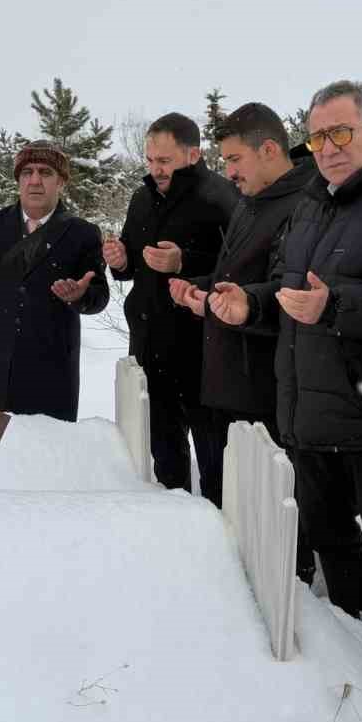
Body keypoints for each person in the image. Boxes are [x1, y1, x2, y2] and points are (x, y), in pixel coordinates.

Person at [210, 81, 362, 661]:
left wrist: (334, 305)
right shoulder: (312, 201)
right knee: (335, 548)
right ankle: (351, 657)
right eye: (317, 136)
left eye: (342, 132)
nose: (329, 147)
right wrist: (253, 303)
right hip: (309, 413)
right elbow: (291, 287)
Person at [165, 102, 323, 560]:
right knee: (242, 518)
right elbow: (231, 276)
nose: (228, 171)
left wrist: (236, 303)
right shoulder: (253, 202)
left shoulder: (301, 204)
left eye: (235, 159)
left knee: (277, 523)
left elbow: (285, 291)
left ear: (269, 149)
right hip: (231, 380)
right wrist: (199, 289)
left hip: (265, 387)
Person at [104, 111, 237, 495]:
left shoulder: (220, 196)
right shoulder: (142, 197)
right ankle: (172, 530)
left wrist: (185, 262)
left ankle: (217, 536)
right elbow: (132, 259)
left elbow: (241, 267)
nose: (156, 169)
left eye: (164, 160)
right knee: (165, 460)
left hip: (201, 350)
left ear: (193, 154)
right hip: (150, 344)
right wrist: (121, 260)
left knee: (214, 458)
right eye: (150, 160)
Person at [0, 142, 108, 420]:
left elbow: (98, 296)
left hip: (51, 367)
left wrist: (79, 296)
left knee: (44, 454)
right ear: (18, 179)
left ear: (61, 181)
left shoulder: (82, 233)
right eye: (27, 172)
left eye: (45, 172)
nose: (35, 180)